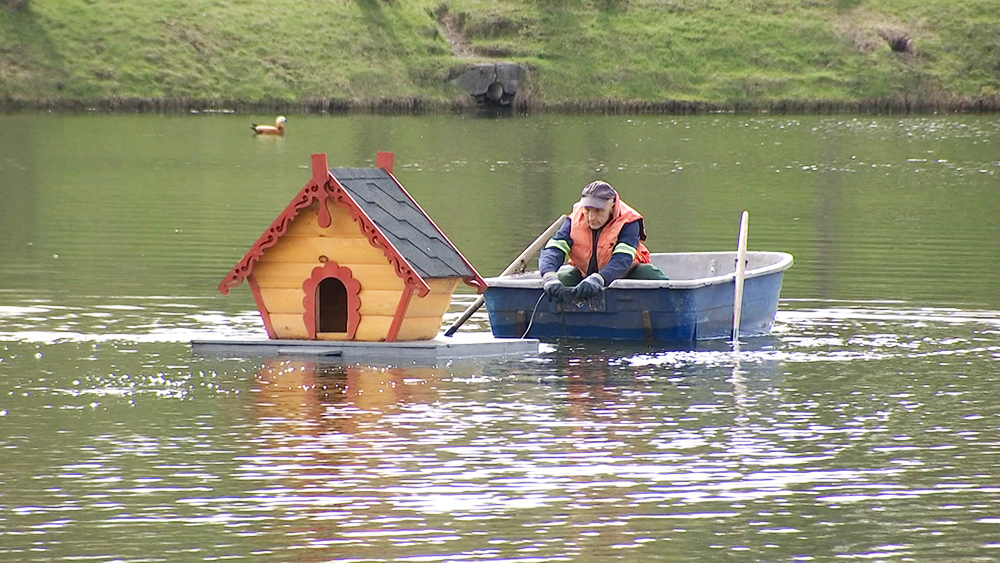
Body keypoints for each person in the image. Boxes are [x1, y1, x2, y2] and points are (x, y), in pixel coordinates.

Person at [538, 180, 666, 302]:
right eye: (587, 210)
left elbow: (622, 259)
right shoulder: (573, 221)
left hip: (625, 273)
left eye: (599, 211)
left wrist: (599, 279)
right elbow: (553, 250)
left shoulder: (629, 222)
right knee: (560, 280)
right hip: (586, 275)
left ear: (612, 206)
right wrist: (549, 276)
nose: (591, 217)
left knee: (652, 274)